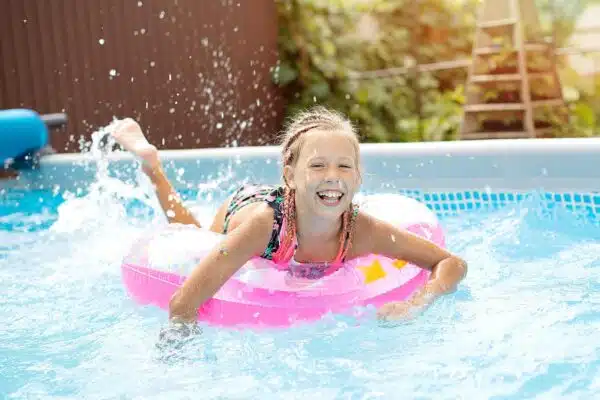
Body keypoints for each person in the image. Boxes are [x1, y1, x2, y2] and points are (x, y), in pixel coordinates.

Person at [111, 106, 467, 331]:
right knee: (192, 231)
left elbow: (450, 263)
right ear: (290, 176)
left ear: (358, 178)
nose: (333, 175)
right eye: (317, 165)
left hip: (292, 210)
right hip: (245, 207)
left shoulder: (363, 230)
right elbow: (183, 302)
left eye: (345, 166)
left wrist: (416, 303)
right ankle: (153, 167)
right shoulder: (264, 226)